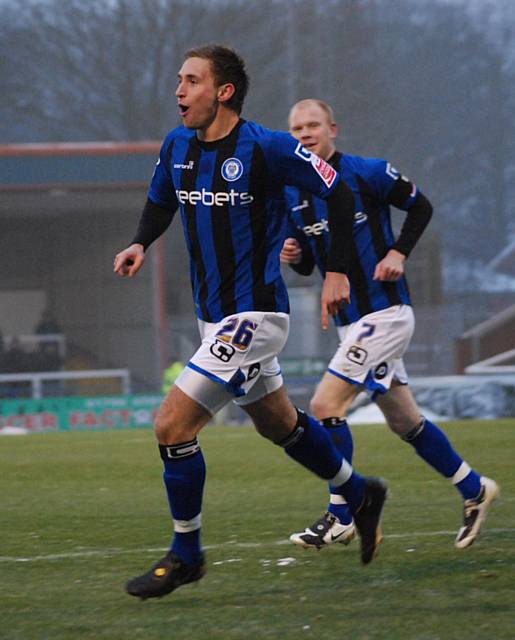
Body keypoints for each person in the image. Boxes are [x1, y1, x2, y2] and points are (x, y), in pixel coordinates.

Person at [114, 45, 387, 600]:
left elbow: (338, 192)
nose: (179, 91)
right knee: (278, 424)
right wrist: (141, 241)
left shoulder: (268, 147)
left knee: (171, 424)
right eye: (179, 81)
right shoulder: (178, 145)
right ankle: (359, 492)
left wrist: (336, 271)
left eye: (191, 81)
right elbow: (161, 200)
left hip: (256, 314)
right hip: (211, 319)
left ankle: (186, 554)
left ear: (224, 92)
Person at [280, 98, 499, 552]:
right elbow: (309, 264)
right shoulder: (294, 192)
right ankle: (474, 489)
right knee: (404, 420)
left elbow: (421, 207)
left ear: (332, 128)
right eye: (297, 128)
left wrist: (399, 252)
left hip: (386, 314)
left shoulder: (368, 172)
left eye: (313, 125)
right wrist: (296, 257)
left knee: (324, 405)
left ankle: (341, 513)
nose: (304, 134)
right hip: (349, 322)